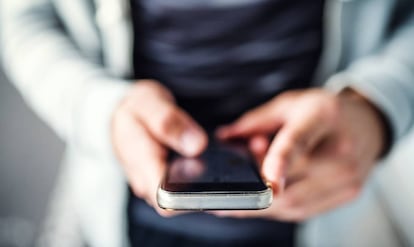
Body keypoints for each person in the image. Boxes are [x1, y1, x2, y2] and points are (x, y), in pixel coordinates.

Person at [1, 0, 414, 246]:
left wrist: (377, 104)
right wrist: (99, 109)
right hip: (108, 212)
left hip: (326, 223)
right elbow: (22, 17)